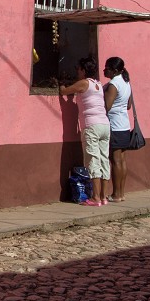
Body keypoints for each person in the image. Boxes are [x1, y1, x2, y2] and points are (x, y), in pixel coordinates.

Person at [60, 57, 110, 206]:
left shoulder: (84, 83)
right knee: (104, 160)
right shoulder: (98, 85)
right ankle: (103, 196)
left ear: (83, 70)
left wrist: (61, 83)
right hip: (105, 125)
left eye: (78, 69)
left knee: (92, 160)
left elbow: (65, 91)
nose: (77, 71)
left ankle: (95, 198)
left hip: (92, 126)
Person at [103, 56, 133, 202]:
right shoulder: (126, 82)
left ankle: (116, 194)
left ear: (114, 70)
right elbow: (128, 105)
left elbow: (106, 107)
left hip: (114, 125)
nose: (104, 70)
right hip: (124, 125)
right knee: (121, 160)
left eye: (107, 68)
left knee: (115, 161)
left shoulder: (113, 84)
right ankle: (121, 193)